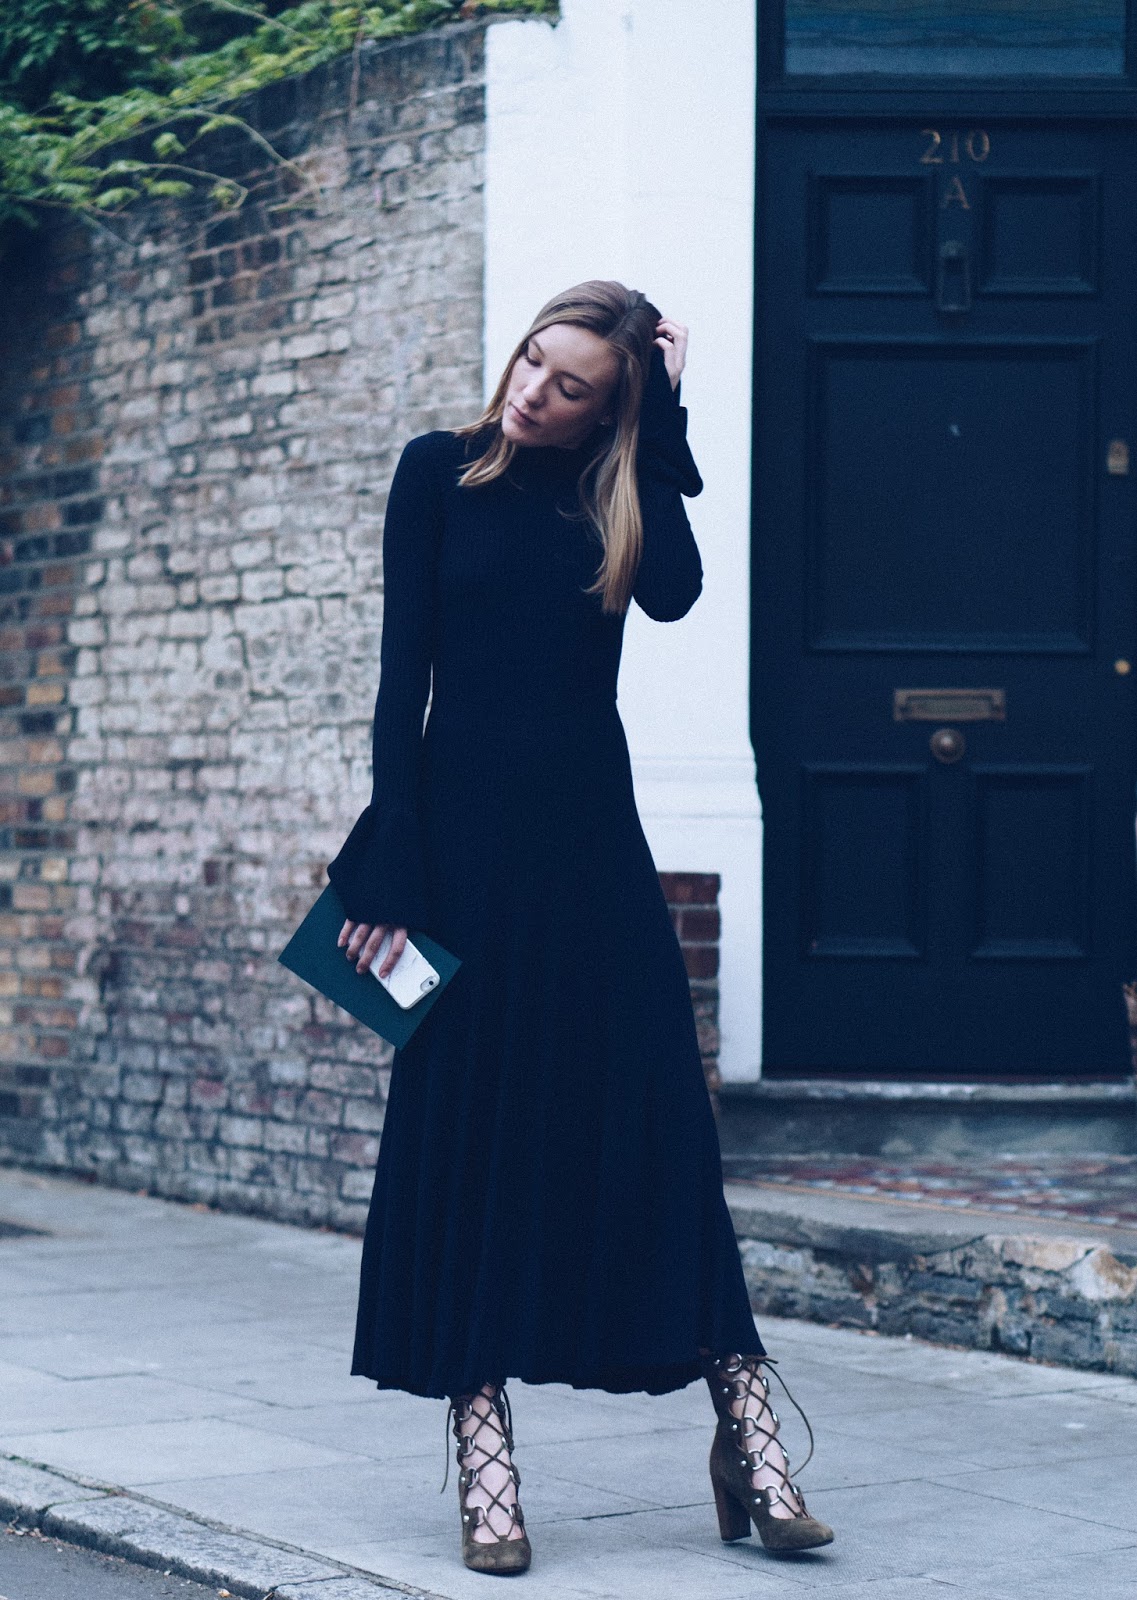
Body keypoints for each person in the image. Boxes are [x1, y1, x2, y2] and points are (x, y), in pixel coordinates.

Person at [328, 280, 835, 1575]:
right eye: (532, 365)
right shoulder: (436, 472)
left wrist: (663, 423)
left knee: (656, 1124)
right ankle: (486, 1465)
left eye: (571, 388)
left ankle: (750, 1440)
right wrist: (393, 855)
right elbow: (401, 677)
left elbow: (675, 593)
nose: (534, 395)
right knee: (472, 1137)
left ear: (609, 407)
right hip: (462, 849)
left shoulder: (617, 495)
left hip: (592, 849)